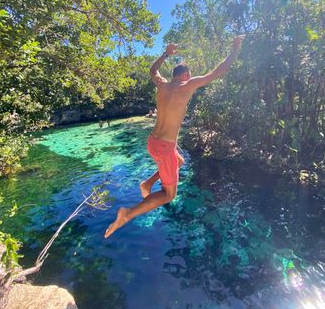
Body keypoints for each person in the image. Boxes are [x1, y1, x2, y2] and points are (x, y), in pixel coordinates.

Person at [104, 36, 245, 238]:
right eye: (190, 74)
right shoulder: (187, 85)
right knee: (169, 195)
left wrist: (165, 54)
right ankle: (127, 214)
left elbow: (152, 71)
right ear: (186, 75)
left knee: (179, 161)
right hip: (163, 147)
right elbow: (219, 71)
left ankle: (147, 184)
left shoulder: (162, 85)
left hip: (153, 141)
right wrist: (235, 48)